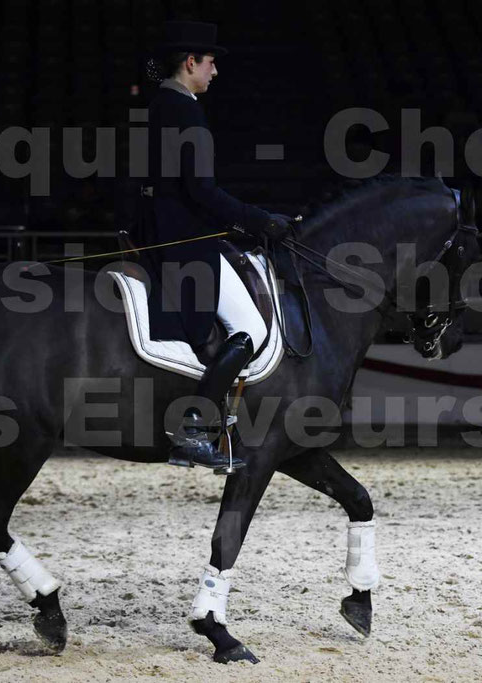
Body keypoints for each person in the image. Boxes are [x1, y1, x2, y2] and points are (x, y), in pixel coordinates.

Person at [136, 21, 291, 471]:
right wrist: (258, 220)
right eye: (210, 63)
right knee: (252, 331)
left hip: (166, 231)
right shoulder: (184, 110)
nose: (215, 72)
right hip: (185, 243)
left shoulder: (159, 104)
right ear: (190, 63)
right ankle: (194, 429)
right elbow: (200, 190)